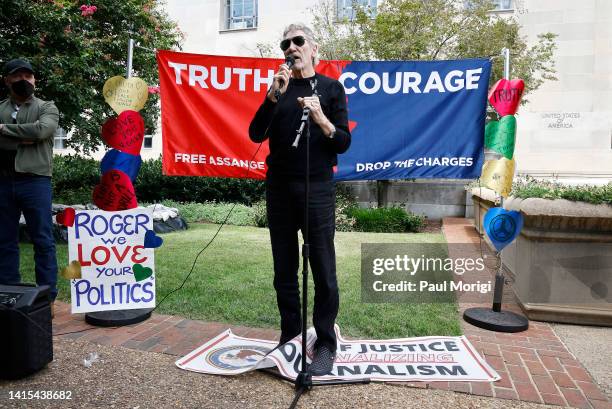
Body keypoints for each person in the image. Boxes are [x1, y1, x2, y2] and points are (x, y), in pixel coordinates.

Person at [248, 23, 351, 376]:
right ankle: (290, 335)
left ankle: (324, 343)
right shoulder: (279, 89)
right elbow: (254, 133)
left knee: (323, 269)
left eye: (297, 41)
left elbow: (342, 142)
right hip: (279, 188)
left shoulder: (331, 88)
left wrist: (321, 117)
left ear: (313, 48)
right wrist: (272, 96)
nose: (290, 47)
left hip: (317, 189)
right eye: (285, 43)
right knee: (284, 271)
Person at [0, 58, 60, 317]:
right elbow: (31, 135)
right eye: (18, 76)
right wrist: (24, 136)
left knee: (43, 240)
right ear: (7, 80)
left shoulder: (47, 107)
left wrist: (3, 130)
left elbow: (42, 131)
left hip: (36, 181)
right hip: (3, 181)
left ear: (34, 80)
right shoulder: (0, 107)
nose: (24, 80)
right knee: (4, 241)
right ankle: (8, 294)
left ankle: (48, 298)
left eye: (29, 76)